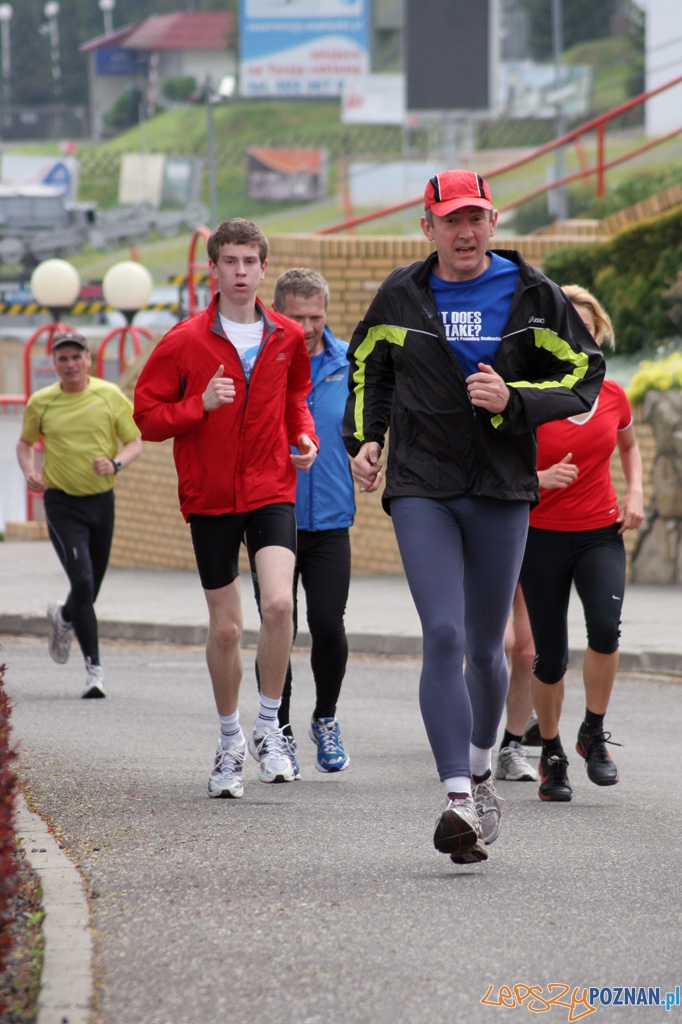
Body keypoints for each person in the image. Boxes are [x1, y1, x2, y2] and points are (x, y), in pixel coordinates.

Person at [342, 169, 605, 864]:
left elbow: (585, 374)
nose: (465, 231)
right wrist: (365, 438)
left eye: (477, 218)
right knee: (445, 633)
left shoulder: (531, 294)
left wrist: (513, 399)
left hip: (501, 486)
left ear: (493, 224)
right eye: (451, 219)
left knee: (490, 651)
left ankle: (482, 768)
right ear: (426, 227)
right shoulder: (401, 293)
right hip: (422, 483)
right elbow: (369, 362)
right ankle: (457, 796)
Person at [133, 218, 318, 799]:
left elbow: (295, 398)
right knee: (227, 628)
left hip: (271, 486)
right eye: (230, 262)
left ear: (264, 269)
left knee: (281, 603)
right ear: (213, 269)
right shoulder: (183, 341)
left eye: (250, 262)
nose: (240, 272)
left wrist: (304, 437)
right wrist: (199, 404)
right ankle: (229, 739)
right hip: (211, 496)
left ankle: (269, 727)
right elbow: (146, 416)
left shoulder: (286, 335)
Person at [519, 284, 644, 802]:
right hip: (540, 536)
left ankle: (592, 731)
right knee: (549, 658)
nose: (579, 336)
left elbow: (630, 445)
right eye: (568, 327)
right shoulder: (525, 391)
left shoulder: (613, 395)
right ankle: (550, 753)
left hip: (600, 531)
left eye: (587, 328)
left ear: (597, 335)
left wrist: (636, 490)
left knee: (606, 630)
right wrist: (538, 477)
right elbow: (492, 462)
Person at [247, 268, 355, 777]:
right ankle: (279, 731)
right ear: (277, 313)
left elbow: (365, 425)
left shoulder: (348, 363)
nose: (308, 327)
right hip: (273, 513)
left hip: (332, 518)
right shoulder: (261, 360)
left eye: (316, 316)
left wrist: (369, 454)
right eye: (297, 317)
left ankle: (325, 719)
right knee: (277, 622)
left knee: (329, 626)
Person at [16, 331, 143, 698]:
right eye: (62, 359)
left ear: (89, 360)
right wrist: (29, 471)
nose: (70, 364)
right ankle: (94, 672)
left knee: (90, 587)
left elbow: (135, 442)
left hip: (101, 502)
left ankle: (65, 617)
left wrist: (116, 463)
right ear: (53, 364)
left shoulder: (109, 396)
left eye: (76, 357)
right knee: (84, 583)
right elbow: (24, 443)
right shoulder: (42, 402)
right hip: (60, 502)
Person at [495, 584, 539, 782]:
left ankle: (511, 747)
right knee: (499, 643)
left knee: (529, 654)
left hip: (532, 555)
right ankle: (475, 745)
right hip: (489, 555)